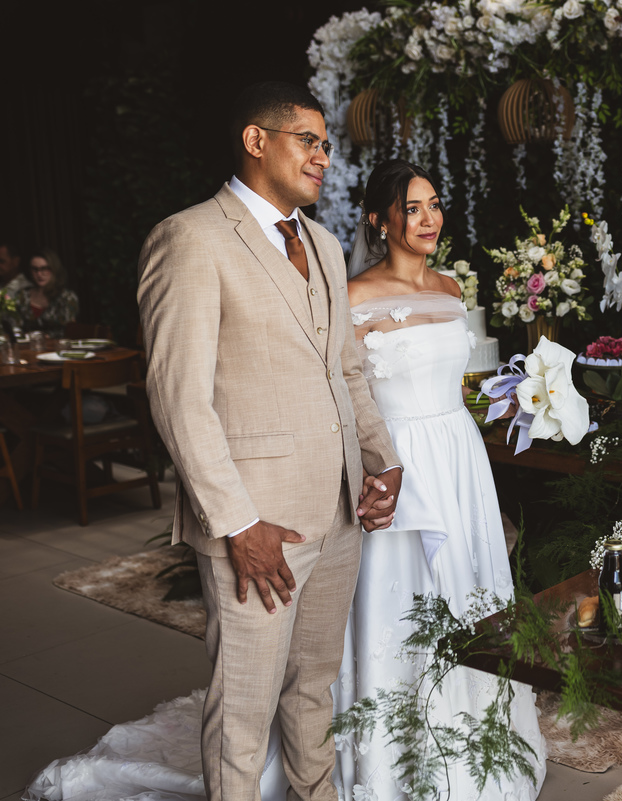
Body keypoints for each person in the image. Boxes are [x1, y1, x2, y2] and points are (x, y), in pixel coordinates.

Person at [136, 81, 403, 801]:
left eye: (326, 145)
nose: (324, 157)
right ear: (257, 141)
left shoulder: (319, 240)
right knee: (244, 706)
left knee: (314, 686)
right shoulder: (189, 238)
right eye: (308, 141)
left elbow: (345, 367)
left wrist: (384, 459)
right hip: (258, 524)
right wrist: (238, 521)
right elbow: (178, 397)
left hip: (341, 509)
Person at [331, 157, 547, 801]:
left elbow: (462, 383)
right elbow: (344, 393)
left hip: (459, 454)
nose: (429, 219)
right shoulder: (354, 296)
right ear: (379, 220)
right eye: (413, 208)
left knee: (470, 588)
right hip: (396, 459)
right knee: (401, 596)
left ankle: (479, 739)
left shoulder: (452, 289)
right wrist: (372, 466)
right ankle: (396, 757)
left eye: (434, 205)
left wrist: (522, 400)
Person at [11, 247, 79, 337]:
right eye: (35, 269)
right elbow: (15, 327)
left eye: (44, 269)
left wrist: (47, 337)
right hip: (27, 347)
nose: (39, 274)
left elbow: (70, 331)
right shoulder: (22, 295)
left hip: (58, 347)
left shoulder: (66, 297)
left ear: (54, 269)